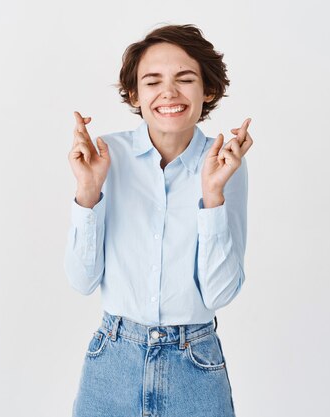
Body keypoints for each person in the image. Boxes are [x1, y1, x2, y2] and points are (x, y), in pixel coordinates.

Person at [64, 23, 253, 417]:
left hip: (195, 364)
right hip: (113, 361)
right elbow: (82, 281)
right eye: (153, 82)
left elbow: (219, 295)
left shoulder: (224, 163)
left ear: (209, 91)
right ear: (134, 94)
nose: (169, 92)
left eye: (185, 79)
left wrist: (212, 195)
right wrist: (88, 192)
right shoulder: (105, 156)